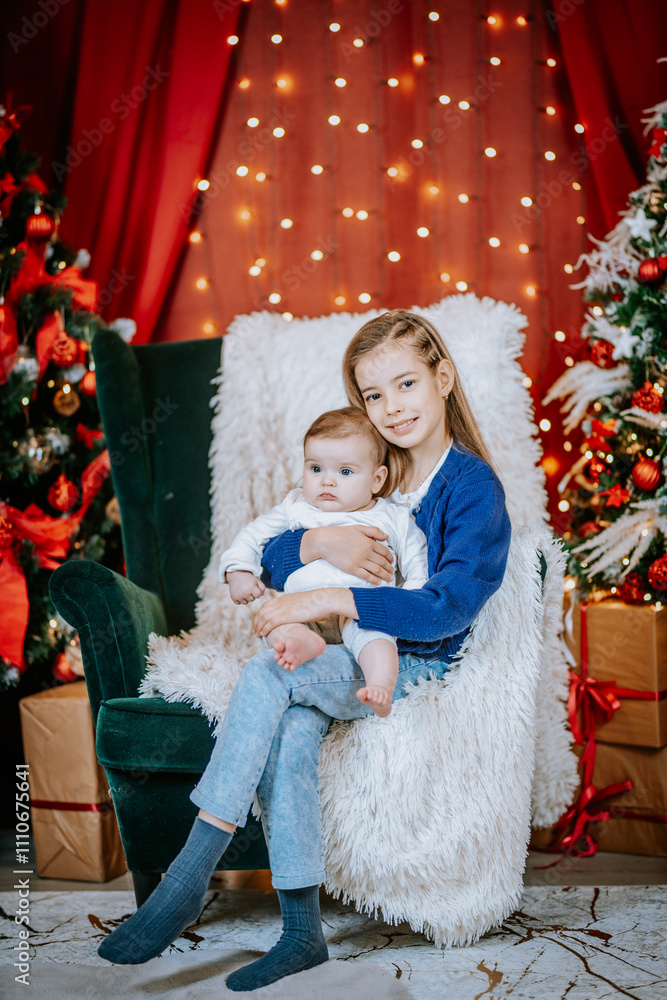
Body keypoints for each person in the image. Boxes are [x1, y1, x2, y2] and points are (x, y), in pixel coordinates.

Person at [97, 309, 511, 994]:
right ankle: (300, 933)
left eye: (406, 384)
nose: (390, 408)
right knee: (288, 727)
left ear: (443, 377)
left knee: (267, 672)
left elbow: (448, 608)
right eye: (372, 395)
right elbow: (278, 551)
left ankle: (189, 874)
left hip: (412, 665)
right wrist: (322, 547)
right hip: (336, 656)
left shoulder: (470, 489)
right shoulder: (371, 464)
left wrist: (328, 601)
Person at [221, 406, 429, 717]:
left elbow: (418, 564)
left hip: (360, 611)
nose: (326, 482)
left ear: (376, 479)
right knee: (275, 624)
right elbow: (253, 534)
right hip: (301, 611)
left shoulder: (392, 516)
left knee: (377, 641)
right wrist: (238, 569)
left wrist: (403, 604)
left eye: (345, 472)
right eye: (315, 469)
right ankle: (303, 643)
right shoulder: (297, 506)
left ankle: (380, 686)